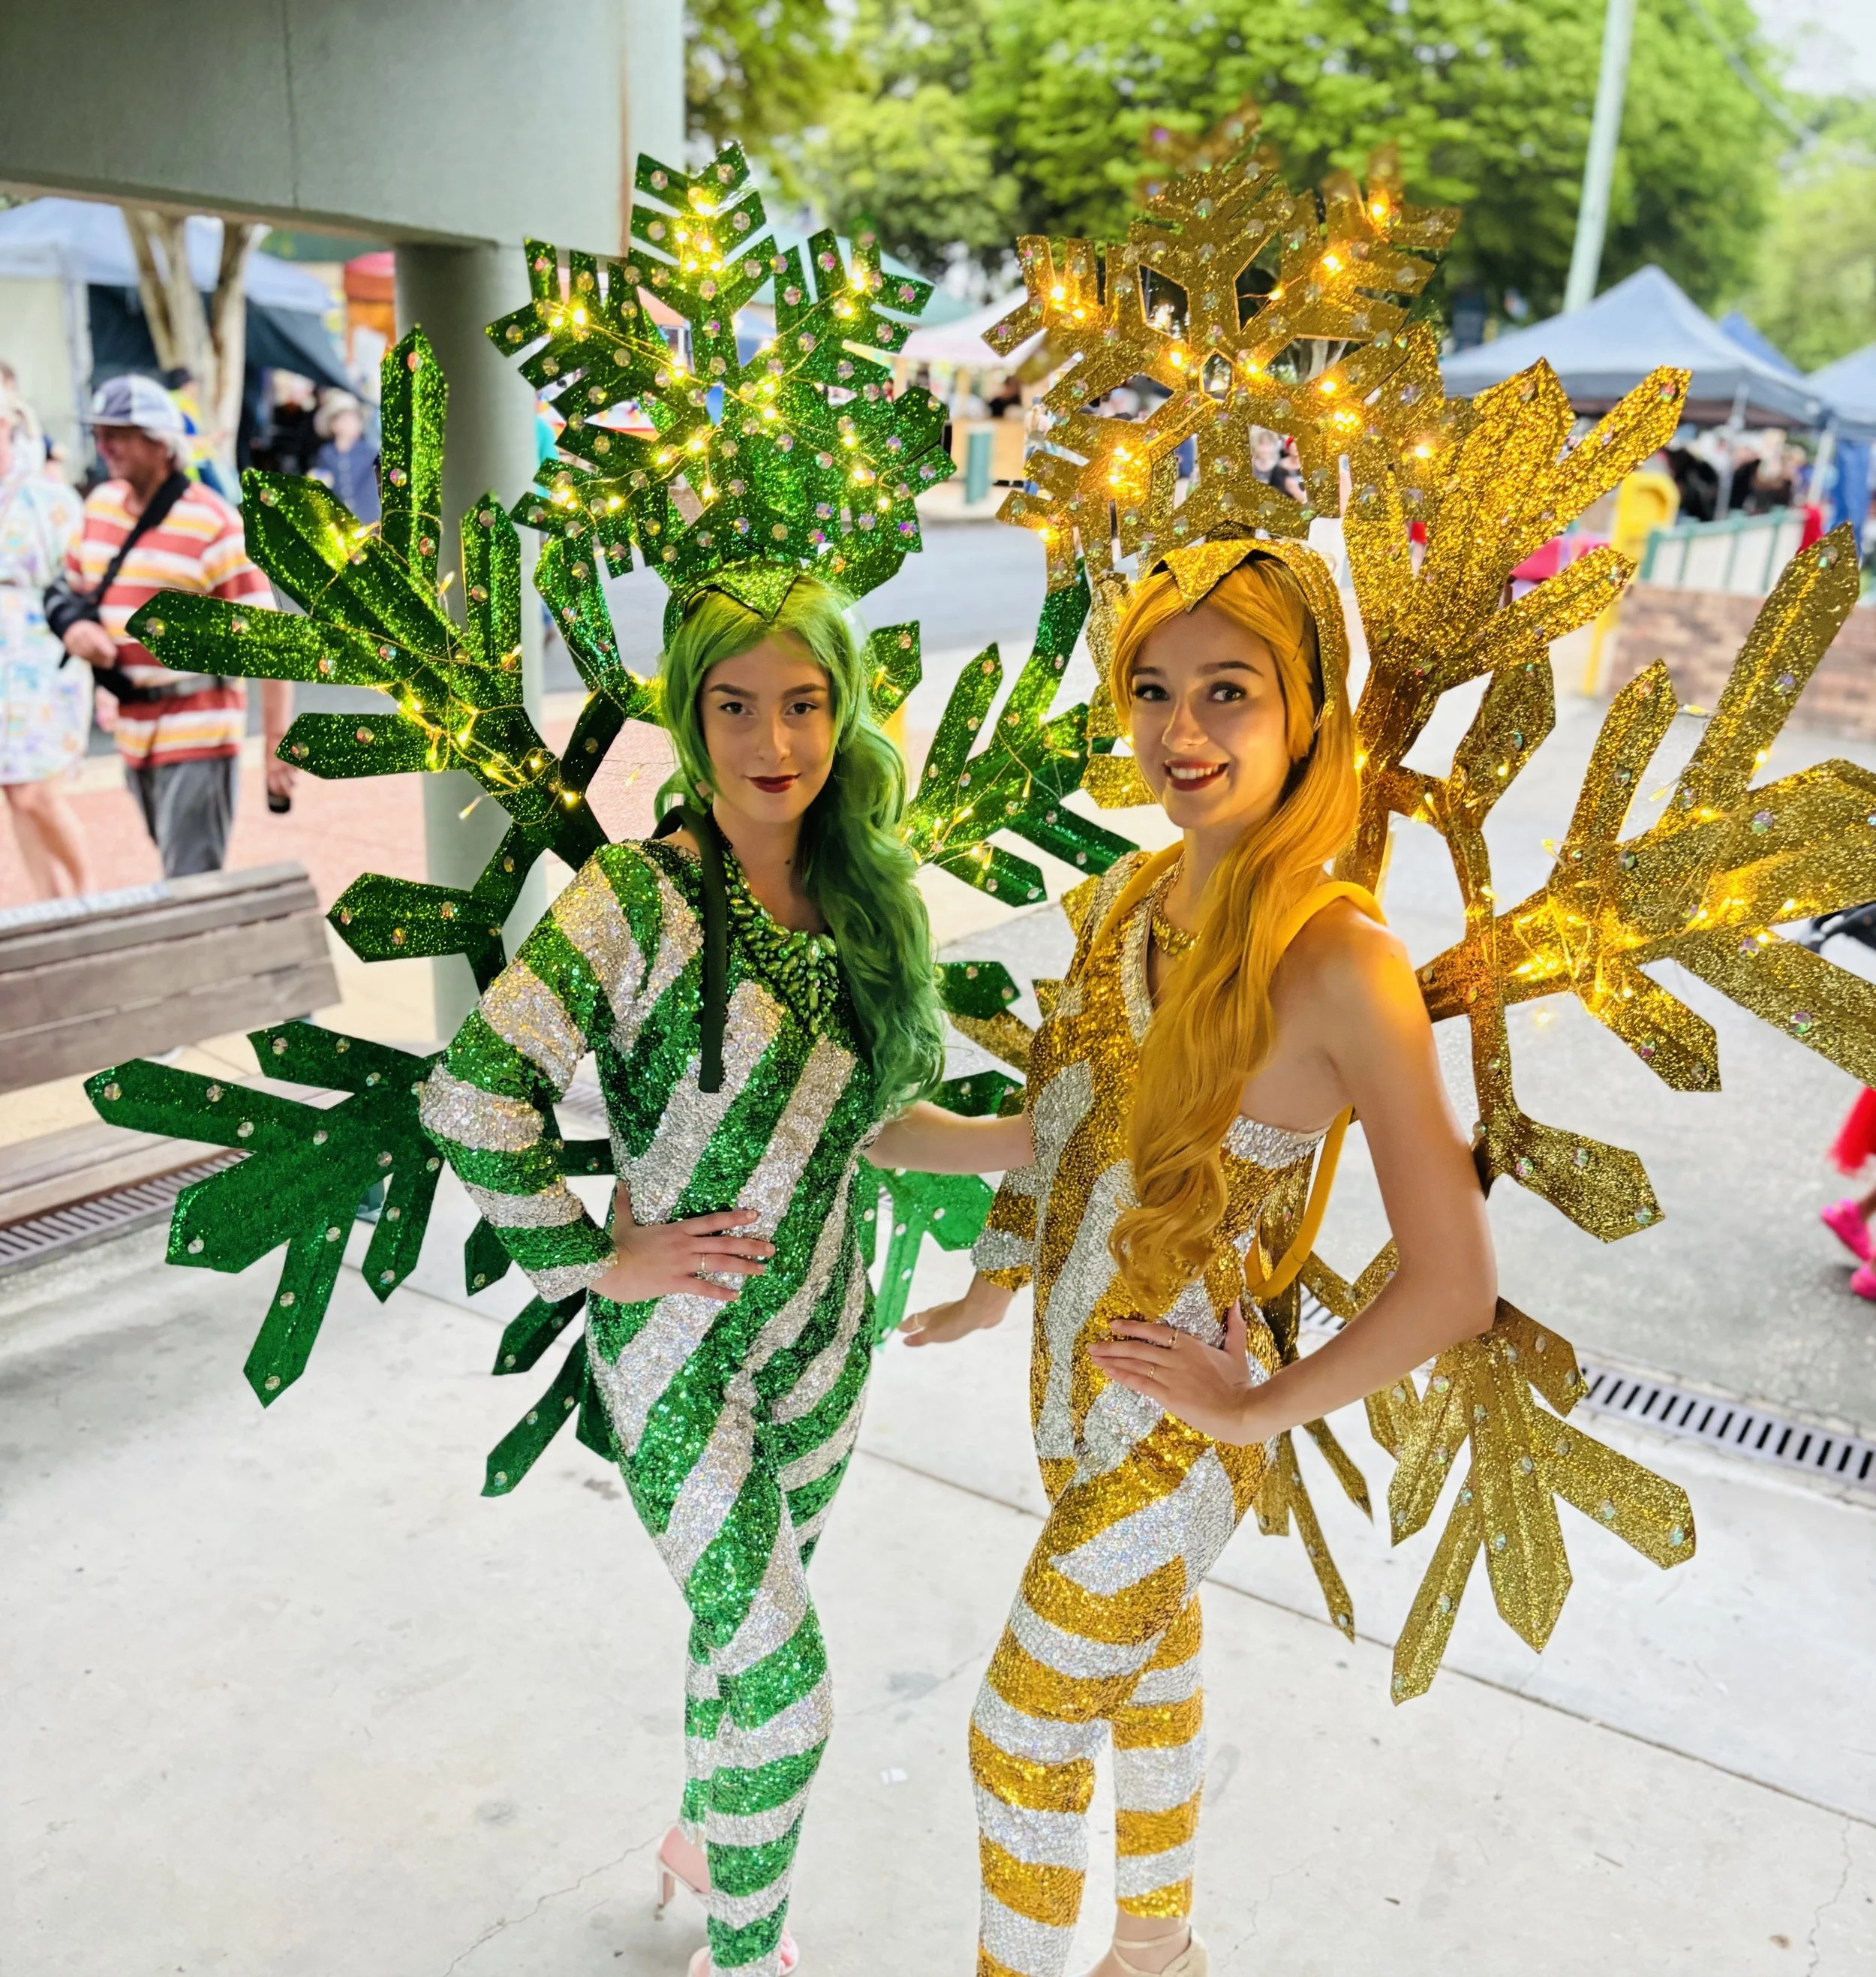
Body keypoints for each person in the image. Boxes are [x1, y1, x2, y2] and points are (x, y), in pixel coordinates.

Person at [902, 543, 1497, 1977]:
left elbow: (1454, 1280)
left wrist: (1247, 1410)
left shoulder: (1340, 961)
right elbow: (1054, 1129)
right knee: (1146, 1672)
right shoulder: (1123, 898)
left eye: (1228, 691)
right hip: (1065, 1398)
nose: (1183, 732)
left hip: (1178, 1433)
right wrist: (963, 1229)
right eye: (1156, 689)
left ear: (1306, 711)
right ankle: (1158, 1949)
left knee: (1023, 1726)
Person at [419, 569, 1011, 1977]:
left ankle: (705, 1829)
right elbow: (473, 1093)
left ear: (845, 709)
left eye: (804, 703)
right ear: (690, 715)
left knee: (746, 1622)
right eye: (735, 705)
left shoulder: (863, 886)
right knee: (788, 1680)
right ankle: (746, 1952)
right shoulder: (638, 894)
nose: (774, 743)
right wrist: (595, 1257)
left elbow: (861, 1115)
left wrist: (1012, 1131)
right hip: (677, 1348)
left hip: (826, 1331)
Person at [58, 375, 292, 877]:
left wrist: (277, 747)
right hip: (132, 728)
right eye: (100, 432)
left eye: (118, 433)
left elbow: (275, 644)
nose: (104, 446)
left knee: (190, 881)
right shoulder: (98, 508)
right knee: (176, 868)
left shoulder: (214, 525)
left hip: (199, 724)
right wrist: (75, 630)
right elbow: (70, 591)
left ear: (159, 444)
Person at [0, 382, 91, 897]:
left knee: (36, 790)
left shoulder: (47, 496)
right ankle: (47, 904)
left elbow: (81, 580)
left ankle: (87, 891)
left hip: (40, 649)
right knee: (14, 791)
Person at [308, 389, 380, 522]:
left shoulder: (370, 452)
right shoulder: (326, 453)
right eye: (344, 419)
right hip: (338, 521)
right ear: (333, 424)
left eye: (354, 419)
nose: (349, 424)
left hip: (367, 521)